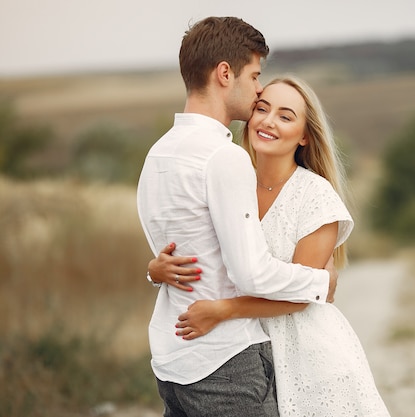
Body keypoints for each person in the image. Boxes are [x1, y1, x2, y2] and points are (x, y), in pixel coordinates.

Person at [149, 76, 391, 416]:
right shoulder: (232, 179)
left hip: (306, 353)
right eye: (262, 109)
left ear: (305, 135)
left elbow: (301, 297)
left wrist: (224, 310)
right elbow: (203, 251)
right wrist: (155, 269)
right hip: (243, 350)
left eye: (285, 115)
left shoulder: (315, 197)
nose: (268, 121)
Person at [136, 17, 338, 417]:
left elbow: (175, 252)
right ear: (224, 74)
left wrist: (153, 270)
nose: (259, 88)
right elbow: (252, 274)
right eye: (255, 75)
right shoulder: (224, 157)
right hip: (224, 362)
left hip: (172, 360)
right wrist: (321, 281)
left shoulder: (158, 153)